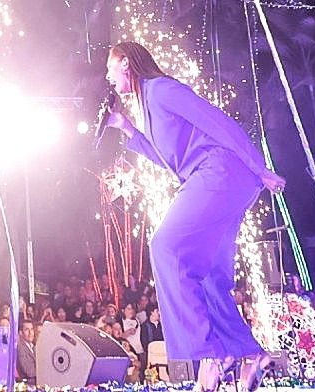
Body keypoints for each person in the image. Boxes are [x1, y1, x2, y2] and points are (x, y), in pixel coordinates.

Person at [103, 41, 285, 392]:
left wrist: (257, 166)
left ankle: (208, 354)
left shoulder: (161, 90)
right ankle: (247, 353)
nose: (108, 75)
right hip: (222, 180)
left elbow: (217, 122)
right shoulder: (148, 107)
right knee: (208, 274)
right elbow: (169, 160)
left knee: (166, 247)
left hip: (219, 172)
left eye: (110, 67)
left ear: (125, 62)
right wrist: (124, 127)